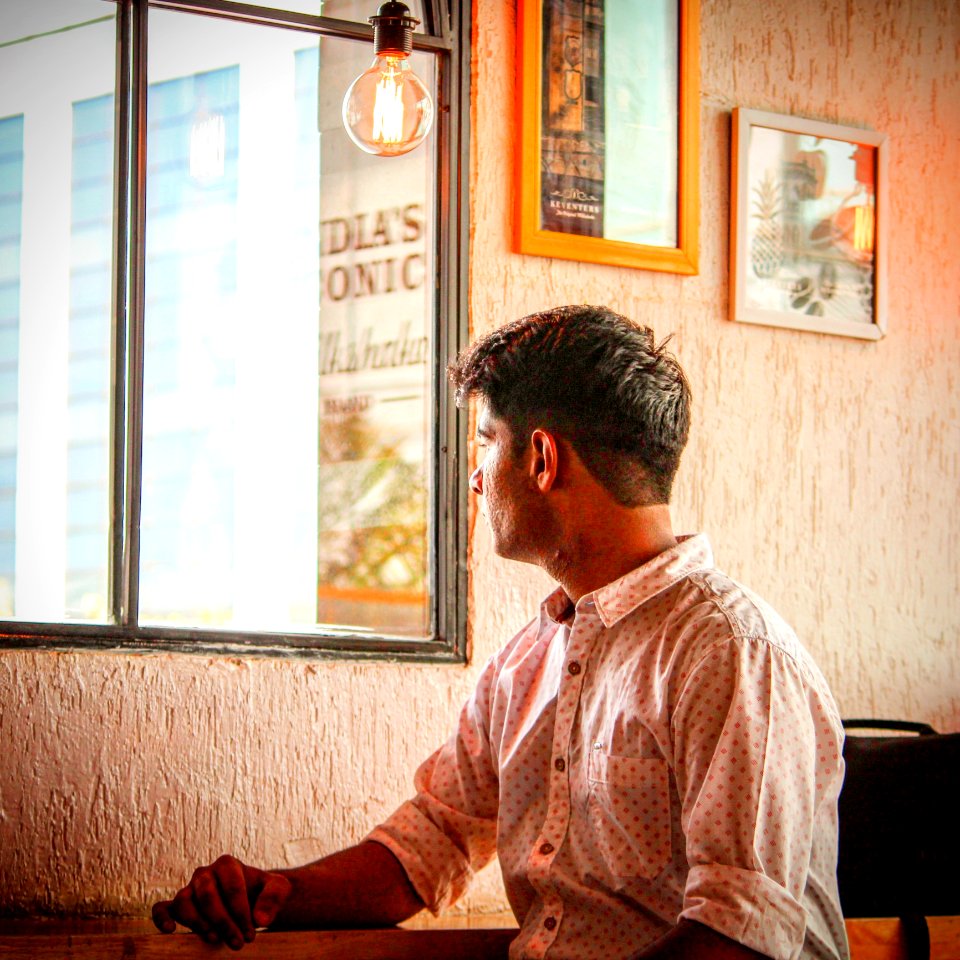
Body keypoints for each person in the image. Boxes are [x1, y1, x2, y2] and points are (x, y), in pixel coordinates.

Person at [152, 306, 849, 960]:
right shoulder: (528, 662)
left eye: (487, 443)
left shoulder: (730, 654)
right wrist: (274, 892)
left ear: (542, 460)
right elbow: (430, 844)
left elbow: (739, 939)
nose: (478, 480)